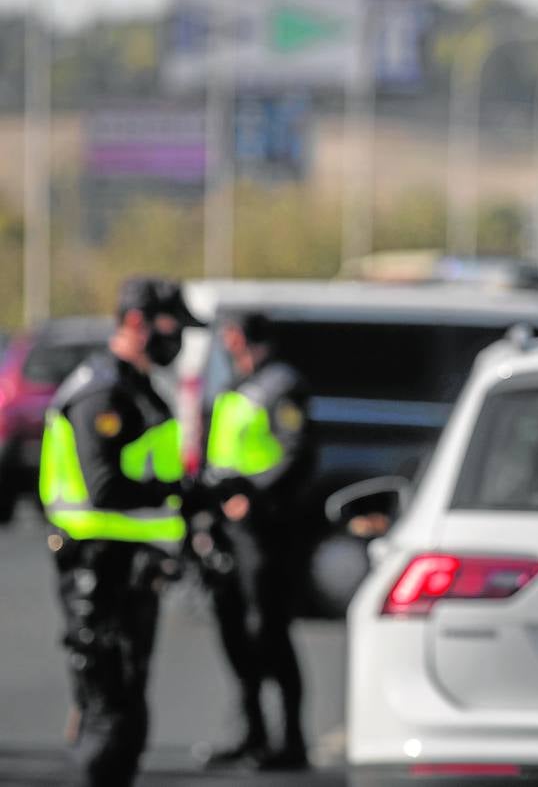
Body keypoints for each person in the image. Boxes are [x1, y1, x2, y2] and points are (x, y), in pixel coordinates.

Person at [38, 276, 200, 787]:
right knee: (108, 706)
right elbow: (103, 486)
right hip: (97, 563)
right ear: (136, 322)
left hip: (131, 561)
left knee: (127, 702)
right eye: (171, 327)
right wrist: (174, 493)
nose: (177, 340)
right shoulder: (103, 390)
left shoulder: (137, 385)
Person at [199, 311, 314, 770]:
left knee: (269, 631)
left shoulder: (280, 386)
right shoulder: (236, 387)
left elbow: (297, 450)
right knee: (233, 632)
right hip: (226, 527)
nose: (229, 349)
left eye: (235, 340)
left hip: (264, 529)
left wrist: (256, 496)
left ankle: (291, 740)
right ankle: (253, 732)